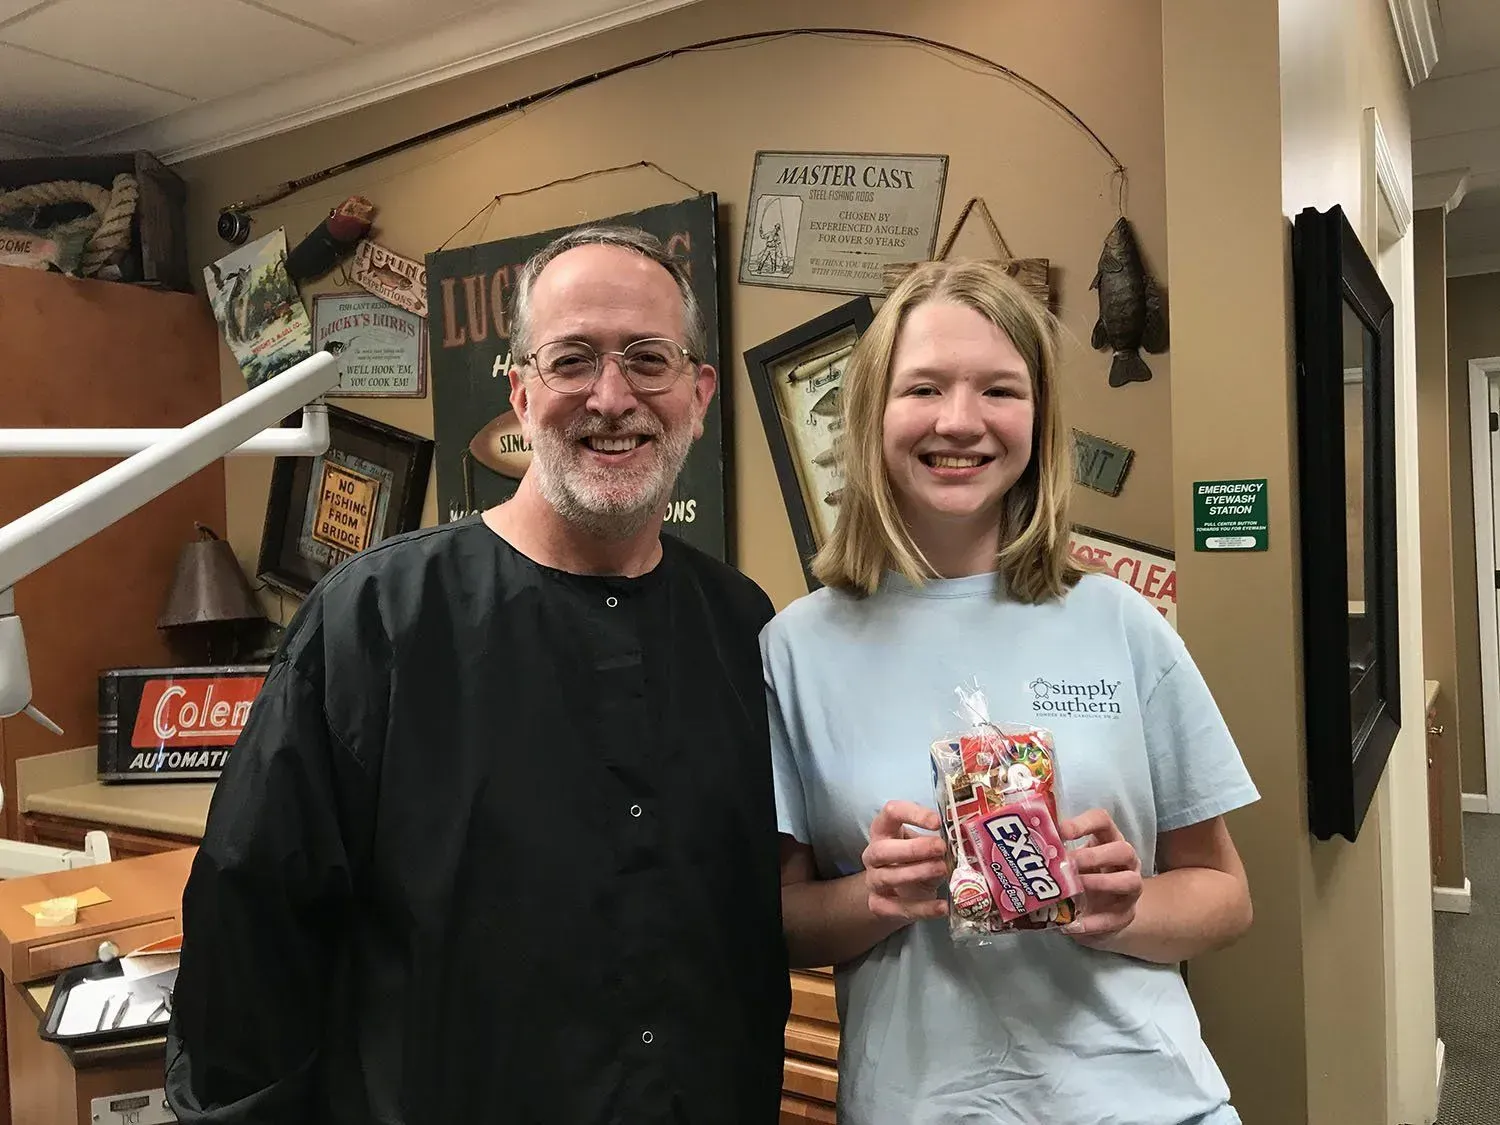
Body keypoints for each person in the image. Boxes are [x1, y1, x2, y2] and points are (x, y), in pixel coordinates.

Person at [166, 226, 790, 1124]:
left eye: (648, 360)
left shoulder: (739, 623)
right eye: (572, 359)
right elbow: (248, 945)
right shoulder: (375, 621)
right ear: (521, 392)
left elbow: (749, 912)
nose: (612, 397)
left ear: (698, 394)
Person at [763, 259, 1258, 1125]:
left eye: (1000, 389)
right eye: (924, 387)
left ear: (1038, 416)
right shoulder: (795, 648)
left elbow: (1224, 894)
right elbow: (779, 920)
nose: (961, 421)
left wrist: (1126, 903)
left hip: (1146, 1099)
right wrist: (875, 895)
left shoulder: (1121, 620)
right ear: (873, 409)